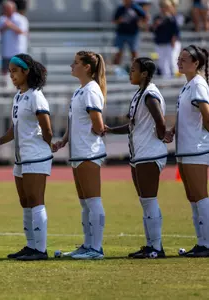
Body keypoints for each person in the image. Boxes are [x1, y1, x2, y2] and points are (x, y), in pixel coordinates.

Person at [0, 54, 52, 260]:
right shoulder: (18, 96)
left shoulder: (36, 96)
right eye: (10, 71)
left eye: (14, 71)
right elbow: (13, 130)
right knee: (25, 202)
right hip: (21, 158)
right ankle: (31, 246)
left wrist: (50, 144)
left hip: (35, 156)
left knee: (36, 200)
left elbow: (47, 128)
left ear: (26, 72)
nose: (11, 75)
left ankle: (40, 250)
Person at [106, 57, 167, 258]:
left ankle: (156, 248)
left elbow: (160, 121)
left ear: (144, 74)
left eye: (133, 70)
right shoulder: (139, 94)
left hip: (149, 153)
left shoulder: (149, 94)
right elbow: (134, 125)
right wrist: (110, 130)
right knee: (145, 201)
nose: (130, 72)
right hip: (139, 153)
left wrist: (160, 135)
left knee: (149, 200)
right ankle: (151, 245)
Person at [52, 51, 107, 260]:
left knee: (93, 200)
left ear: (86, 68)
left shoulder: (91, 90)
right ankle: (88, 244)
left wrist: (97, 129)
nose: (71, 66)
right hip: (78, 153)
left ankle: (96, 248)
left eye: (75, 63)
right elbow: (76, 121)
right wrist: (64, 140)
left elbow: (97, 123)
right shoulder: (79, 91)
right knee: (85, 202)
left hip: (88, 152)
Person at [164, 45, 209, 257]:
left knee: (200, 196)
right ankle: (201, 242)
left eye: (183, 59)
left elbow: (206, 116)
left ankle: (207, 243)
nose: (179, 62)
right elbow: (189, 116)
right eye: (179, 58)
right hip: (185, 148)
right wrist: (173, 130)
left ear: (196, 63)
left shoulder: (198, 85)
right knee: (193, 197)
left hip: (195, 148)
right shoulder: (188, 86)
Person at [150, 0, 180, 78]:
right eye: (163, 7)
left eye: (166, 7)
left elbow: (175, 31)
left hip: (169, 43)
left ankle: (175, 79)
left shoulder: (172, 18)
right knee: (162, 63)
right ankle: (166, 79)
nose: (164, 9)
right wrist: (156, 24)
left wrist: (173, 41)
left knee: (172, 62)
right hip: (160, 43)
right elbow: (152, 29)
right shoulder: (157, 18)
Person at [112, 0, 146, 65]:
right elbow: (114, 20)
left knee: (134, 53)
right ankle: (116, 69)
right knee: (118, 52)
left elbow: (145, 17)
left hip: (133, 34)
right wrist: (120, 20)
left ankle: (136, 68)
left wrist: (140, 23)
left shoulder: (136, 8)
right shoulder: (120, 9)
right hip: (121, 34)